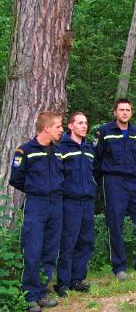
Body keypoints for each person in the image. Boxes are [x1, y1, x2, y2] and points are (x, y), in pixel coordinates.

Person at [95, 98, 136, 279]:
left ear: (131, 112)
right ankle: (119, 268)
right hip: (113, 181)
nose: (124, 113)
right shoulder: (104, 131)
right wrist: (102, 183)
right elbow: (96, 160)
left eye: (127, 110)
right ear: (115, 112)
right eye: (121, 110)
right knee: (115, 224)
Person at [9, 112, 64, 312]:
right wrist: (36, 189)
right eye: (57, 126)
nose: (61, 130)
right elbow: (16, 179)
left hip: (56, 205)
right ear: (46, 128)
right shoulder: (25, 151)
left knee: (50, 250)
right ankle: (30, 296)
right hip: (36, 205)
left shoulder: (57, 151)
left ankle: (42, 292)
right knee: (33, 249)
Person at [54, 112, 97, 298]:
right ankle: (63, 282)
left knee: (85, 241)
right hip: (69, 202)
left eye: (86, 123)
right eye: (80, 123)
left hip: (87, 201)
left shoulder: (89, 148)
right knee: (68, 241)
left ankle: (77, 279)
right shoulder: (61, 147)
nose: (84, 126)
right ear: (70, 126)